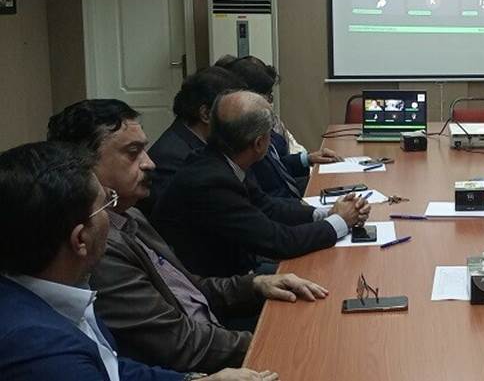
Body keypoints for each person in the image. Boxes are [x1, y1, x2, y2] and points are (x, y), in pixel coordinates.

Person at [46, 99, 326, 373]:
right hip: (205, 360)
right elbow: (178, 342)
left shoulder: (130, 214)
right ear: (84, 166)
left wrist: (255, 284)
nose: (149, 164)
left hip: (215, 331)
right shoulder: (97, 245)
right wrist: (268, 342)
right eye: (133, 153)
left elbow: (188, 289)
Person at [0, 141, 278, 381]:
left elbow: (111, 368)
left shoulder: (62, 289)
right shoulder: (45, 353)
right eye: (106, 205)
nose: (111, 217)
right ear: (80, 240)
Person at [153, 91, 371, 277]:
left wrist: (327, 213)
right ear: (259, 143)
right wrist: (340, 220)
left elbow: (268, 207)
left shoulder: (220, 159)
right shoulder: (212, 181)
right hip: (221, 291)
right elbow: (278, 242)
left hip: (238, 269)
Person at [221, 55, 341, 199]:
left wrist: (307, 158)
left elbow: (275, 168)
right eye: (267, 96)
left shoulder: (264, 128)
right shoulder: (245, 138)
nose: (270, 104)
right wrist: (321, 215)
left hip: (288, 195)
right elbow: (268, 201)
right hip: (284, 205)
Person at [144, 67, 246, 215]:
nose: (241, 121)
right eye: (235, 113)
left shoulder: (206, 143)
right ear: (206, 114)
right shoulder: (172, 159)